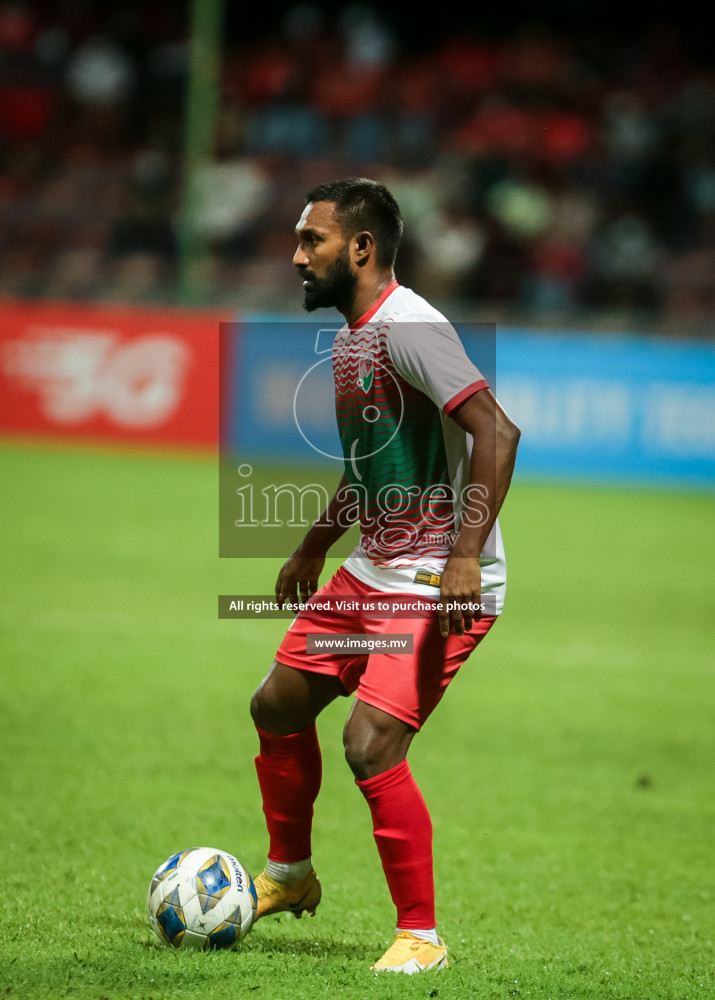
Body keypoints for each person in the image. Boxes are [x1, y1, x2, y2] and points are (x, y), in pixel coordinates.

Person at [249, 177, 520, 973]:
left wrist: (465, 553)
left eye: (312, 242)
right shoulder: (352, 336)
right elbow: (372, 466)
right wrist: (312, 545)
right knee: (276, 703)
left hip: (437, 579)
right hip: (373, 569)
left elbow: (496, 432)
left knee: (370, 744)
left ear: (360, 248)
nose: (297, 257)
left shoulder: (410, 329)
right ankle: (289, 877)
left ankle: (420, 938)